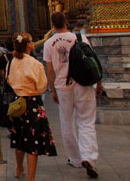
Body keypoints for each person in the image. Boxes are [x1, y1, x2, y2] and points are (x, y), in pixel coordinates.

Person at [43, 11, 101, 178]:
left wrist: (52, 90)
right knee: (86, 121)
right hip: (83, 83)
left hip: (63, 86)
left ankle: (75, 159)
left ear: (52, 25)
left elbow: (50, 70)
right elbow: (91, 60)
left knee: (67, 122)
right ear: (66, 22)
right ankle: (89, 156)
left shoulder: (49, 43)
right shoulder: (80, 38)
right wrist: (98, 82)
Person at [7, 32, 57, 180]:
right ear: (28, 45)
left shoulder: (12, 61)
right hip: (32, 103)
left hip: (17, 102)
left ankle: (18, 168)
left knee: (19, 137)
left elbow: (8, 80)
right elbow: (41, 86)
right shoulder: (35, 64)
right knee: (32, 142)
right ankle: (31, 178)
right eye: (31, 41)